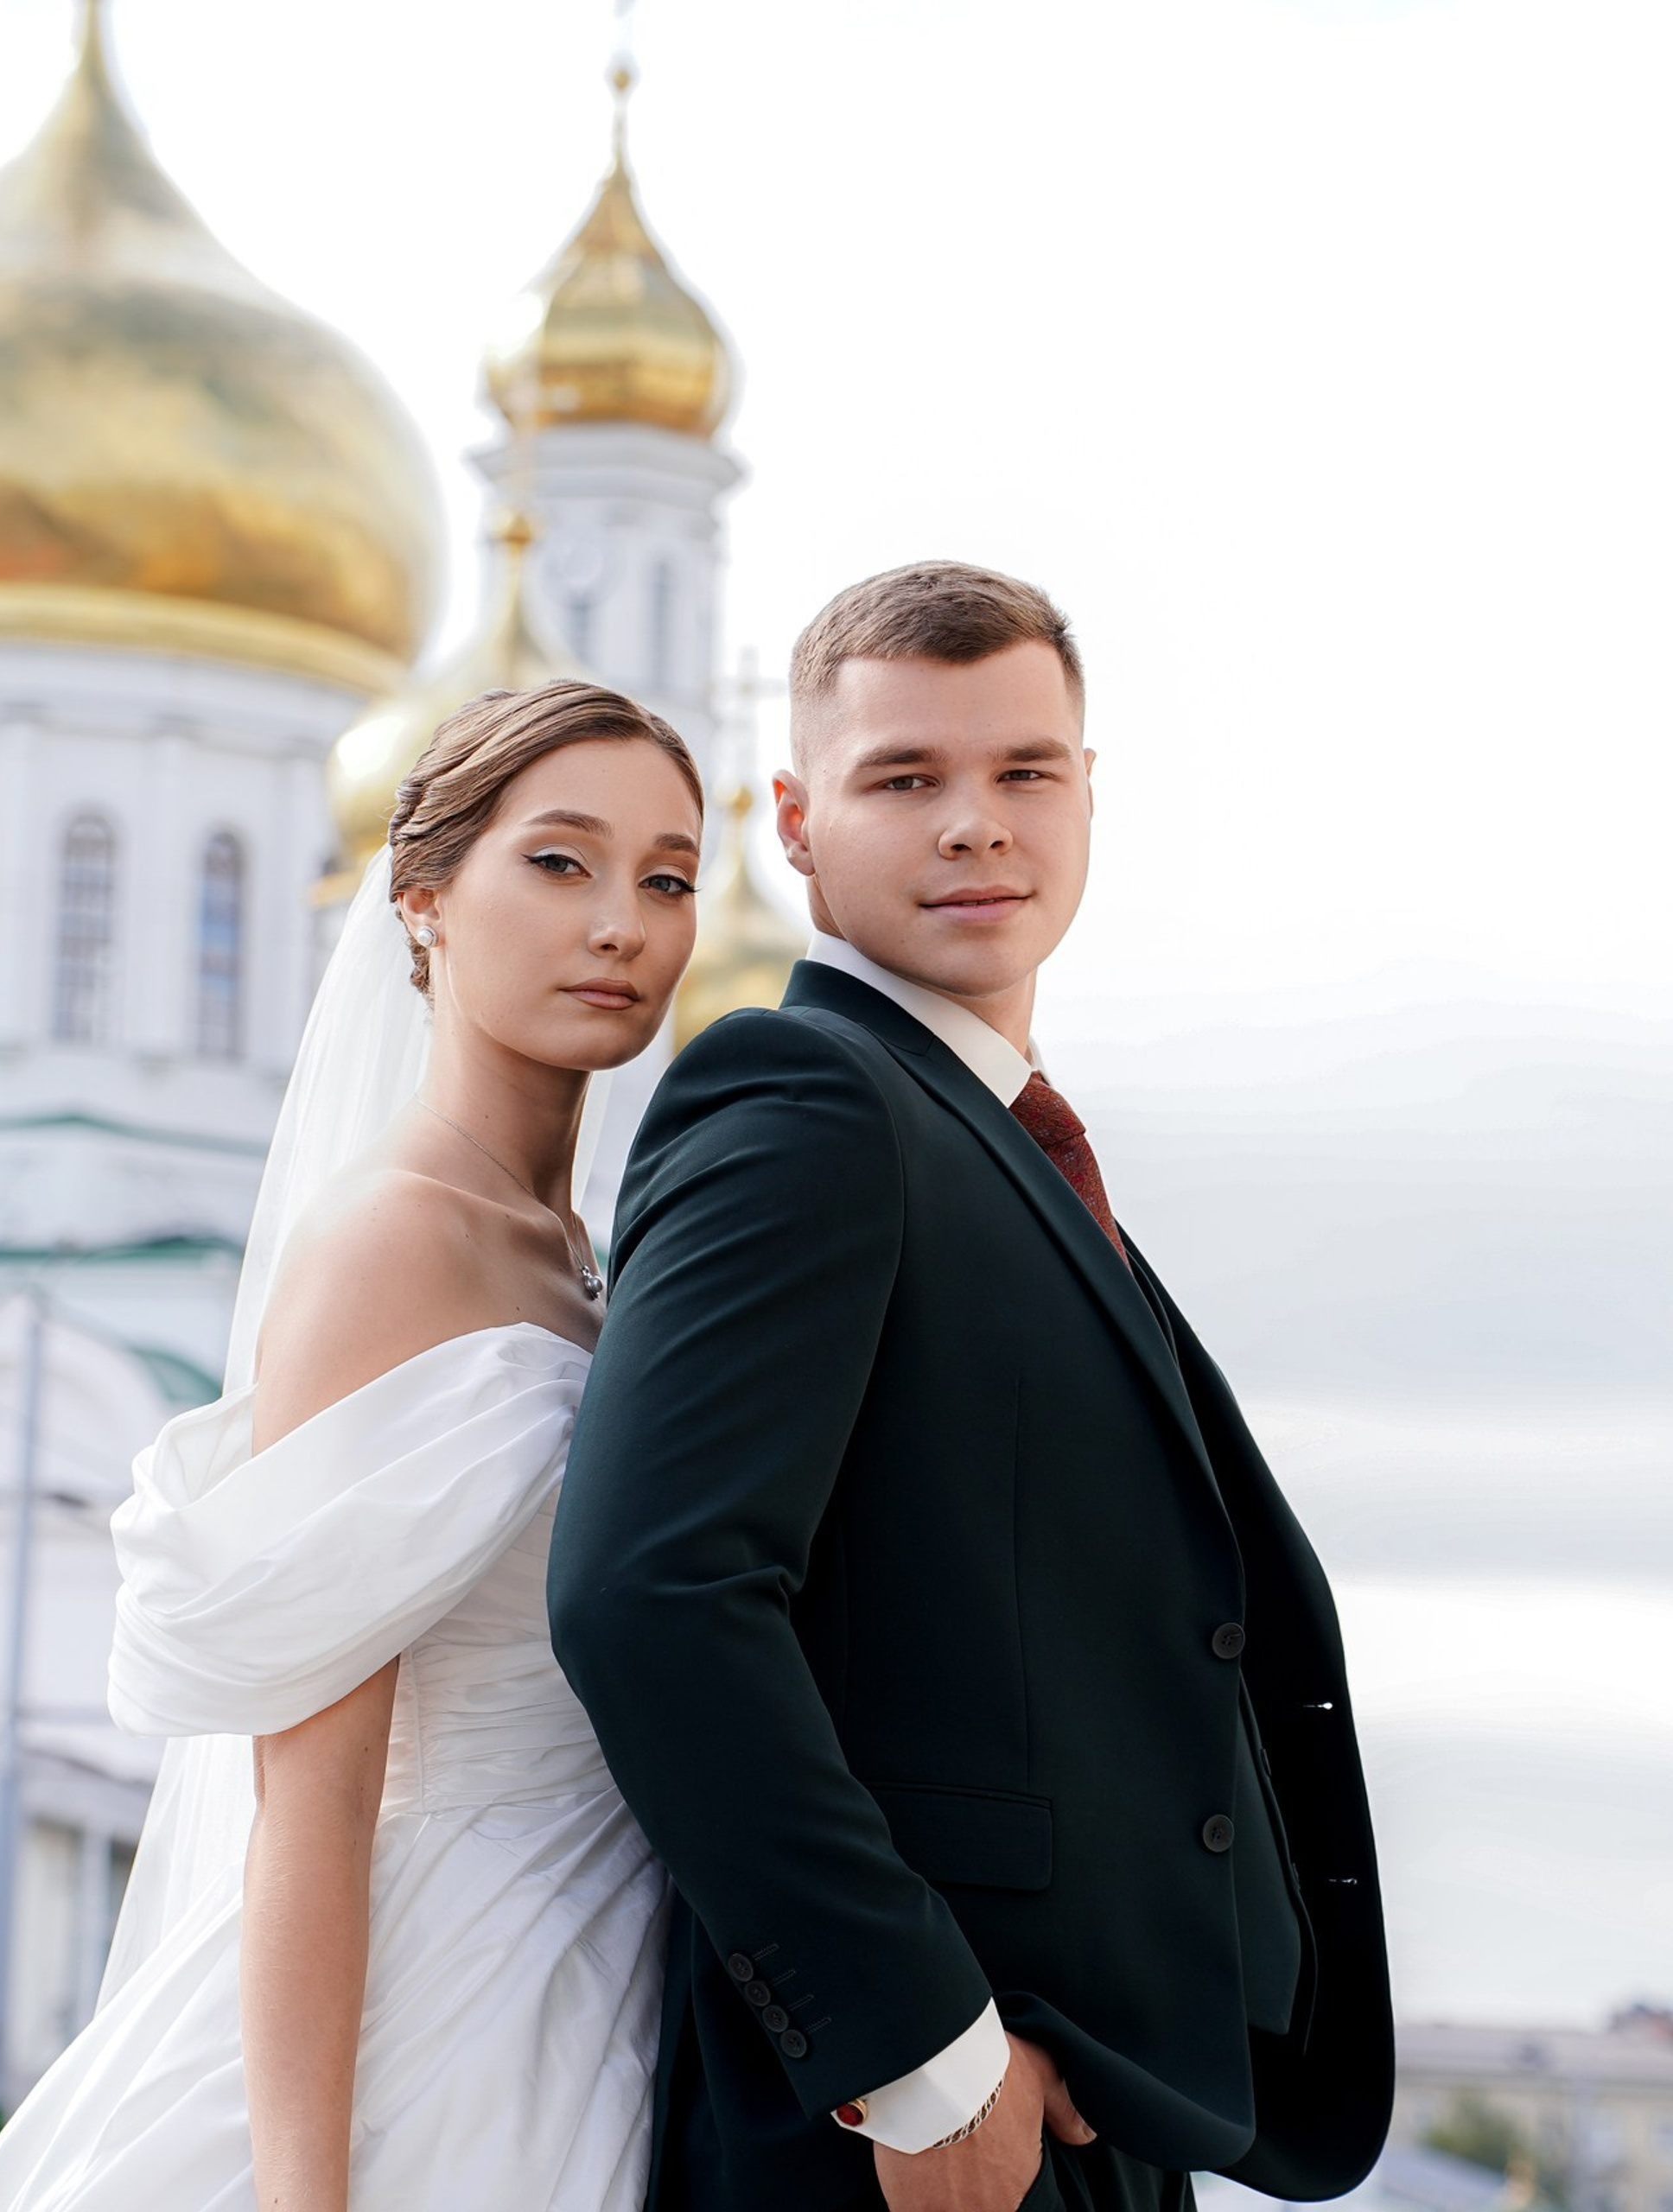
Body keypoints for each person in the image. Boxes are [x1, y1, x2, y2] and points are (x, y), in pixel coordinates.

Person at [549, 563, 1395, 2212]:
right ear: (797, 824)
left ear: (1088, 795)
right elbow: (654, 1593)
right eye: (904, 779)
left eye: (1024, 771)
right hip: (907, 2124)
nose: (975, 825)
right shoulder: (800, 1098)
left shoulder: (995, 1136)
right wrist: (926, 2061)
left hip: (1092, 2091)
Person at [0, 680, 703, 2212]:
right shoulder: (392, 1241)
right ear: (423, 902)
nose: (621, 923)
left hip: (606, 1962)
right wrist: (308, 2193)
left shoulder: (589, 1256)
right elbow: (314, 1790)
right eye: (560, 862)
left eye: (668, 878)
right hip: (437, 1997)